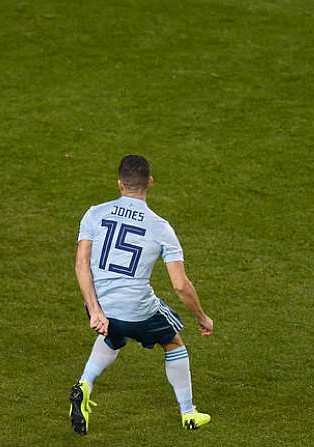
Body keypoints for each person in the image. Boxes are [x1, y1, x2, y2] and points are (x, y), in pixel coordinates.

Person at [69, 155, 214, 435]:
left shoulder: (94, 213)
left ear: (119, 183)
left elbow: (80, 263)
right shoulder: (161, 227)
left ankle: (84, 384)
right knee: (173, 341)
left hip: (100, 307)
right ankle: (189, 413)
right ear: (150, 182)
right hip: (137, 309)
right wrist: (203, 317)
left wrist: (95, 309)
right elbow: (180, 286)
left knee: (113, 333)